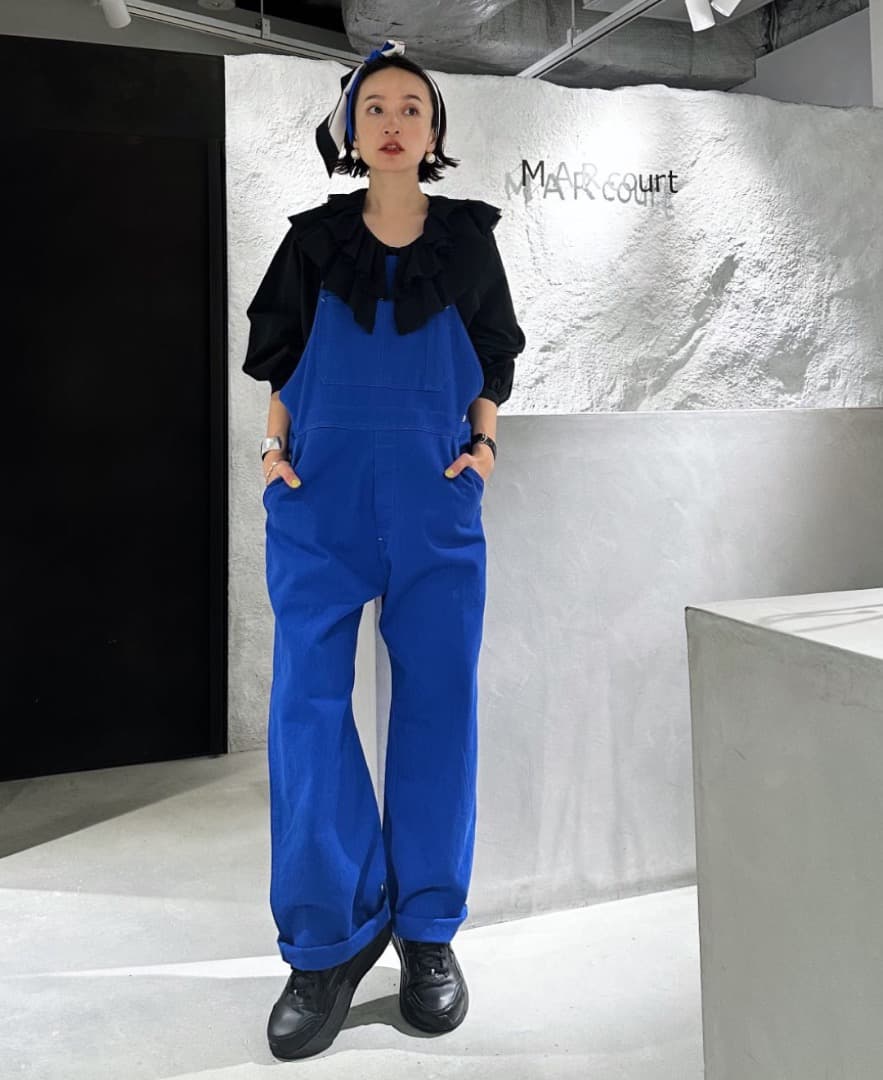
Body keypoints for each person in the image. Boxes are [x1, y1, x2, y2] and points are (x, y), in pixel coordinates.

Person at [242, 39, 526, 1061]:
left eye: (412, 106)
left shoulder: (467, 243)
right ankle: (328, 941)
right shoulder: (312, 241)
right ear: (350, 131)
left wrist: (482, 450)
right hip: (317, 501)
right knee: (305, 713)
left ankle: (427, 932)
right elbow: (279, 359)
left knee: (438, 710)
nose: (393, 121)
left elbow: (491, 357)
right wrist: (272, 454)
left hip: (432, 500)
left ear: (434, 129)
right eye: (375, 108)